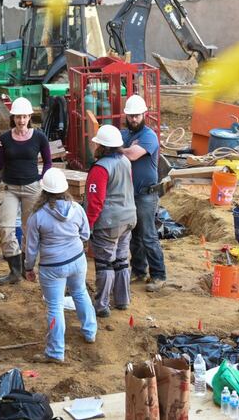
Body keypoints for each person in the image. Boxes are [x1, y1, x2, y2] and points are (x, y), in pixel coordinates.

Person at [24, 168, 97, 364]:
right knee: (80, 292)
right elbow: (85, 235)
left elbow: (31, 247)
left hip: (52, 267)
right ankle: (90, 332)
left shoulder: (37, 216)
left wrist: (29, 267)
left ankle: (56, 352)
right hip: (77, 260)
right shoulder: (77, 209)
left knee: (55, 306)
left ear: (43, 190)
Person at [0, 97, 52, 286]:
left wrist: (43, 179)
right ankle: (14, 270)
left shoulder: (39, 137)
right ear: (13, 117)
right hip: (10, 188)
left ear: (30, 116)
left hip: (32, 188)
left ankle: (27, 267)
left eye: (24, 117)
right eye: (17, 117)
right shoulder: (5, 138)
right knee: (5, 228)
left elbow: (48, 162)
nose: (21, 121)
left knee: (30, 229)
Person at [85, 124, 137, 318]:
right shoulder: (125, 161)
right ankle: (123, 300)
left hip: (109, 222)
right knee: (122, 259)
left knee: (105, 263)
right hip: (129, 218)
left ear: (102, 146)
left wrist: (88, 225)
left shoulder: (100, 168)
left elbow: (95, 202)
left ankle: (101, 305)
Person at [121, 95, 167, 292]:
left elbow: (132, 154)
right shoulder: (124, 135)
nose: (133, 119)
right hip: (130, 193)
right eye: (131, 116)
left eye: (137, 116)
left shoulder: (149, 136)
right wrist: (122, 148)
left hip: (147, 194)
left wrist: (117, 150)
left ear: (144, 115)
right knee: (135, 235)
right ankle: (139, 271)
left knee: (148, 235)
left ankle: (158, 274)